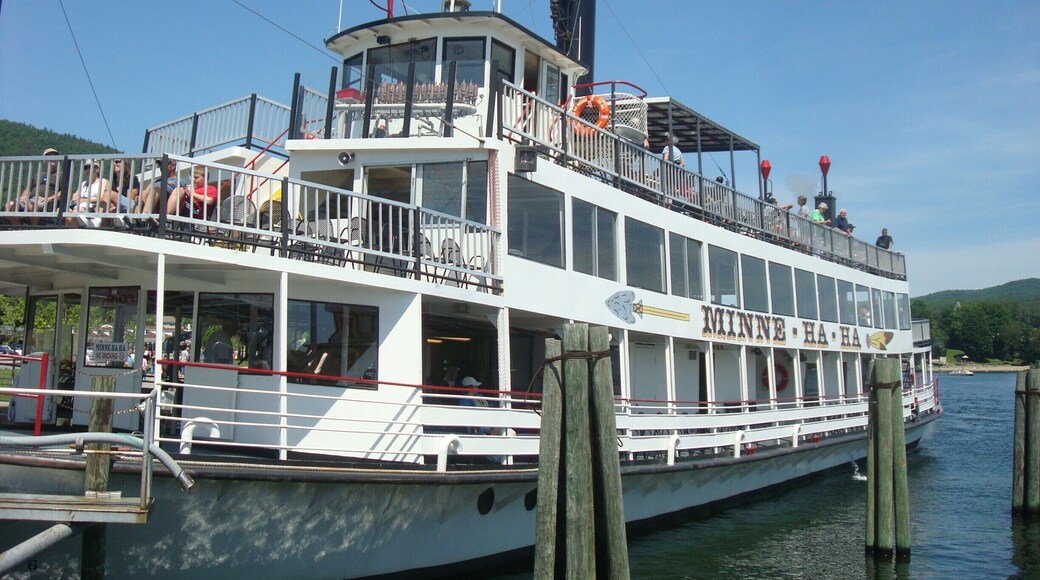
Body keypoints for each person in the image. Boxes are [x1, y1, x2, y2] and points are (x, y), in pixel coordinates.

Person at [7, 148, 63, 224]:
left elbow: (64, 192)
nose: (52, 158)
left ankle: (33, 229)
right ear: (44, 160)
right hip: (31, 199)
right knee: (9, 205)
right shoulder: (38, 174)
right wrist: (24, 196)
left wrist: (49, 198)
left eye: (55, 157)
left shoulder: (61, 175)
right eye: (49, 156)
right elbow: (28, 189)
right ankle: (19, 229)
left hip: (45, 201)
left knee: (32, 206)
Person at [66, 159, 111, 226]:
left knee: (75, 212)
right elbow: (74, 196)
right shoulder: (83, 183)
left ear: (97, 169)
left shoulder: (103, 182)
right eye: (86, 167)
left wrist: (83, 199)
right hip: (79, 206)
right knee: (67, 212)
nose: (88, 169)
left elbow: (100, 198)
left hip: (92, 208)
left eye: (90, 167)